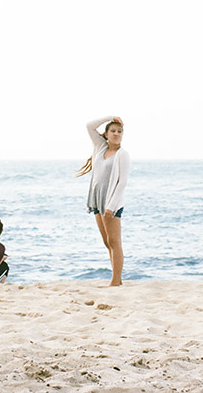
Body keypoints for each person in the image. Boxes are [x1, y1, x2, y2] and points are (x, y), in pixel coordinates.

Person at [77, 116, 130, 287]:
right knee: (107, 242)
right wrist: (110, 117)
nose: (116, 134)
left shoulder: (123, 154)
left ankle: (115, 281)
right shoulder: (100, 147)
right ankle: (117, 279)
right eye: (113, 131)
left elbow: (122, 182)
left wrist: (111, 206)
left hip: (111, 202)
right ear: (106, 134)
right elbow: (89, 126)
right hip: (97, 199)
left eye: (119, 132)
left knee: (114, 241)